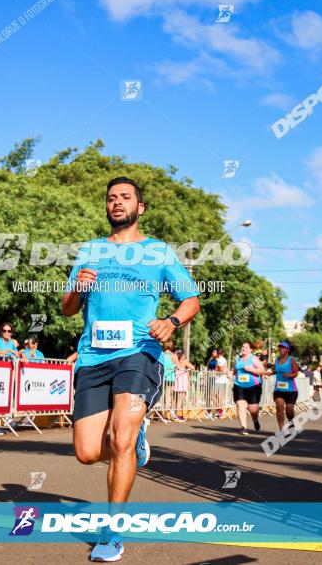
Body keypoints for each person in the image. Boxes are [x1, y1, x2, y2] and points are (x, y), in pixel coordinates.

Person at [62, 176, 200, 562]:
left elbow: (190, 299)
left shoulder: (158, 252)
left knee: (120, 438)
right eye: (110, 198)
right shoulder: (90, 251)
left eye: (125, 198)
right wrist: (77, 289)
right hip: (93, 356)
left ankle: (112, 533)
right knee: (88, 452)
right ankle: (135, 443)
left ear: (140, 208)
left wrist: (171, 322)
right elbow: (67, 308)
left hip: (139, 352)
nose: (116, 202)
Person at [230, 341, 269, 435]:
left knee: (253, 409)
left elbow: (262, 371)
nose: (243, 349)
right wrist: (230, 373)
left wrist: (251, 369)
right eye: (243, 347)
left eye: (246, 347)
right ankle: (244, 427)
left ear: (251, 349)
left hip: (253, 386)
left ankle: (255, 419)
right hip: (239, 385)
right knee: (240, 405)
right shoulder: (238, 359)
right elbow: (235, 371)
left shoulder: (254, 358)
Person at [272, 341, 301, 432]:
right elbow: (275, 370)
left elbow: (296, 373)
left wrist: (290, 375)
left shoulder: (291, 360)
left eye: (283, 348)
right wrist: (269, 373)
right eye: (280, 347)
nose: (281, 349)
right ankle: (281, 429)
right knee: (279, 406)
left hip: (291, 390)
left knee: (289, 411)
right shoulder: (276, 360)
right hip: (278, 389)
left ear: (287, 350)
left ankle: (291, 420)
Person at [174, 351, 192, 421]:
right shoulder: (184, 361)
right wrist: (187, 370)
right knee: (180, 399)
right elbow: (192, 367)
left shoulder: (177, 362)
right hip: (182, 382)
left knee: (177, 399)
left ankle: (178, 414)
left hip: (178, 381)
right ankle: (178, 415)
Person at [162, 342, 177, 421]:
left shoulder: (162, 354)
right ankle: (165, 414)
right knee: (168, 397)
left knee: (165, 396)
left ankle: (164, 413)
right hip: (170, 378)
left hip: (163, 377)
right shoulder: (173, 355)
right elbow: (178, 366)